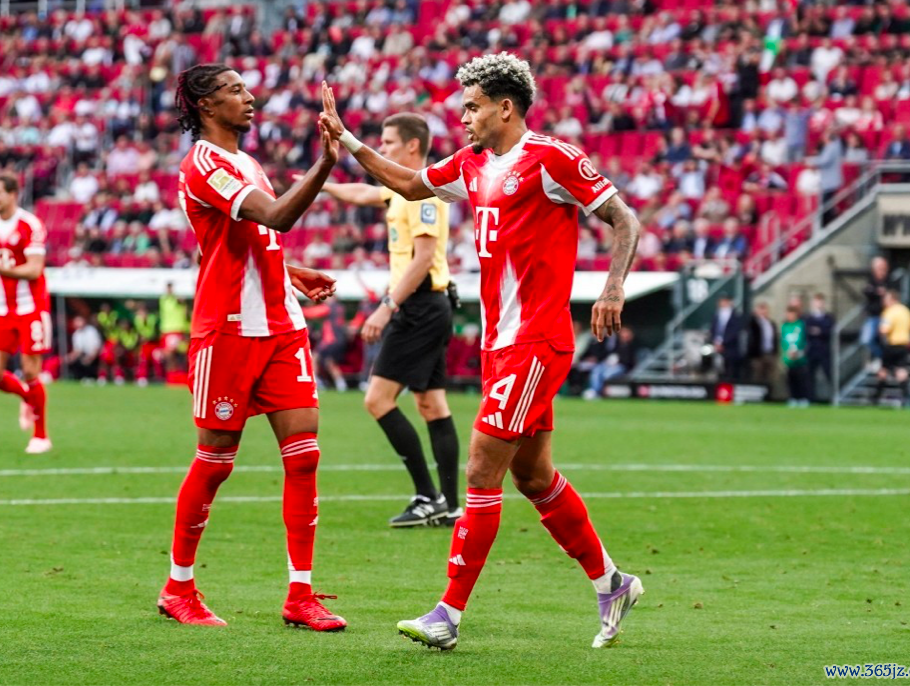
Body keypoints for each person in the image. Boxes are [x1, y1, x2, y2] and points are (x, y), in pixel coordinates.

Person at [320, 52, 643, 650]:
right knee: (534, 476)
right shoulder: (471, 163)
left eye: (472, 107)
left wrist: (613, 286)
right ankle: (613, 583)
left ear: (505, 108)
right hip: (501, 345)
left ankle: (447, 614)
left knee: (479, 470)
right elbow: (409, 183)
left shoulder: (551, 158)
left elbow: (624, 219)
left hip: (536, 341)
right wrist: (349, 141)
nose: (463, 117)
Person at [158, 63, 343, 632]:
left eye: (246, 87)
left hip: (282, 325)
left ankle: (301, 595)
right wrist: (326, 162)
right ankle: (178, 588)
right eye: (235, 89)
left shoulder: (249, 163)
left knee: (304, 456)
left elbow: (253, 238)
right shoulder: (203, 164)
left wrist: (291, 271)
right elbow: (278, 216)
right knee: (216, 462)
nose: (250, 96)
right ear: (205, 104)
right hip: (229, 330)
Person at [320, 113, 460, 528]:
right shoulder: (400, 189)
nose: (381, 149)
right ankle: (450, 504)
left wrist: (386, 306)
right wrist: (321, 184)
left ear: (412, 146)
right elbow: (364, 193)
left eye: (388, 143)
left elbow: (423, 258)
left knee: (377, 400)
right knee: (432, 404)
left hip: (419, 306)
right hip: (429, 305)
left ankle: (427, 496)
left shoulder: (425, 194)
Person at [0, 172, 53, 454]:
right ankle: (27, 396)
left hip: (30, 307)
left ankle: (41, 436)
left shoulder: (29, 224)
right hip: (2, 309)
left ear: (12, 194)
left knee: (31, 370)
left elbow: (34, 269)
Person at [875, 290, 910, 407]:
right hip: (904, 345)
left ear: (892, 299)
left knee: (883, 370)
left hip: (891, 345)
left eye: (886, 299)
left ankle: (876, 397)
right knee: (902, 370)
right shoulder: (905, 310)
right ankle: (906, 397)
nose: (884, 301)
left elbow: (884, 330)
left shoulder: (889, 312)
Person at [582, 326, 637, 399]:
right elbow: (608, 353)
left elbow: (629, 361)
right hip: (609, 365)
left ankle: (599, 392)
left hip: (622, 367)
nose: (624, 335)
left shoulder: (633, 345)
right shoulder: (616, 343)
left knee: (606, 374)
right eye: (623, 332)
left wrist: (619, 361)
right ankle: (593, 391)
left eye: (626, 333)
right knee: (596, 370)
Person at [861, 257, 893, 370]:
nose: (881, 271)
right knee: (866, 339)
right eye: (879, 268)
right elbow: (866, 291)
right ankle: (881, 358)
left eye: (883, 268)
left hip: (886, 316)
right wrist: (876, 292)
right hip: (873, 316)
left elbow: (891, 295)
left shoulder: (889, 281)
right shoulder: (871, 280)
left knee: (883, 340)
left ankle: (882, 361)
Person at [805, 293, 834, 400]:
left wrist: (819, 331)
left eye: (820, 302)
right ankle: (810, 398)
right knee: (810, 376)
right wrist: (819, 331)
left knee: (829, 374)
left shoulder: (828, 317)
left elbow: (829, 330)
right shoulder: (808, 317)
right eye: (817, 302)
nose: (819, 304)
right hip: (812, 350)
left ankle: (834, 397)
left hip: (824, 350)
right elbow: (807, 331)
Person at [781, 305, 809, 407]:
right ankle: (793, 398)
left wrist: (797, 351)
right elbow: (783, 341)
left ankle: (803, 398)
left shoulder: (800, 325)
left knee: (801, 379)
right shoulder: (785, 326)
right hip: (789, 358)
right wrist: (786, 353)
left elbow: (802, 339)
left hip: (799, 357)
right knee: (790, 379)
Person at [711, 294, 743, 381]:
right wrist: (716, 342)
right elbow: (713, 329)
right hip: (717, 346)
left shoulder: (736, 315)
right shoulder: (717, 314)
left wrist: (724, 342)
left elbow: (734, 331)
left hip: (730, 347)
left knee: (730, 369)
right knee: (719, 369)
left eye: (725, 301)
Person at [746, 301, 778, 385]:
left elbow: (775, 338)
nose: (763, 312)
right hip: (758, 355)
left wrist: (775, 352)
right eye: (761, 310)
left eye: (765, 310)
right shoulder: (754, 323)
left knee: (770, 378)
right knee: (757, 378)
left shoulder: (771, 324)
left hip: (770, 354)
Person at [66, 315, 102, 381]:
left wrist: (90, 357)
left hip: (94, 354)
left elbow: (97, 347)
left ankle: (91, 377)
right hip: (83, 355)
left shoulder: (92, 331)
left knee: (87, 362)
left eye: (79, 321)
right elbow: (77, 350)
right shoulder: (76, 334)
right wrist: (70, 357)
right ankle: (79, 378)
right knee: (73, 361)